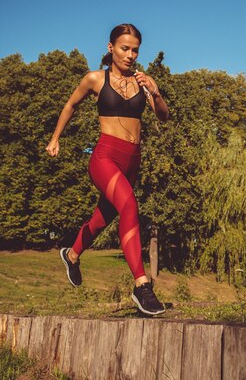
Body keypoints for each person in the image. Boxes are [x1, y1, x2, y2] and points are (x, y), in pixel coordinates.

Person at [46, 23, 169, 315]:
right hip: (105, 158)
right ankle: (141, 285)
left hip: (132, 161)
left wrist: (156, 91)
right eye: (124, 48)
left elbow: (163, 116)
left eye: (135, 49)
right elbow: (70, 106)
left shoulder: (143, 82)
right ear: (110, 47)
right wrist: (55, 138)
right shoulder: (94, 79)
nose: (130, 55)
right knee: (129, 206)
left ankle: (72, 254)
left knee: (103, 217)